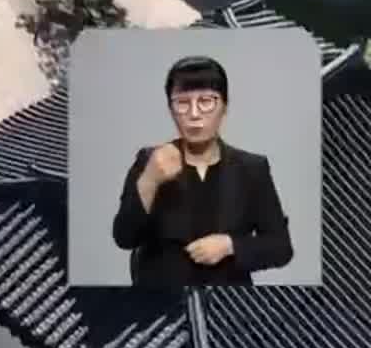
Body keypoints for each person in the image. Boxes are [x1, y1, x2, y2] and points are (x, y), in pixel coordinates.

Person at [112, 55, 292, 287]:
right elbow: (124, 238)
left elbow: (281, 247)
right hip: (160, 303)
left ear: (224, 107)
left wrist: (230, 245)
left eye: (206, 101)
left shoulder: (252, 168)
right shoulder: (149, 160)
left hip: (228, 304)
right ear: (171, 109)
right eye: (182, 103)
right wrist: (149, 180)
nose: (194, 114)